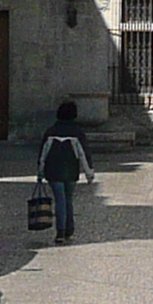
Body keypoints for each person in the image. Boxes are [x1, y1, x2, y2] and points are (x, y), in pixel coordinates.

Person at [38, 102, 92, 244]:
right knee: (68, 199)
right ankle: (69, 230)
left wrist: (40, 171)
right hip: (70, 170)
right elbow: (83, 154)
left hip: (53, 170)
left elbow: (43, 153)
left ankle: (60, 231)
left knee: (59, 200)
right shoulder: (77, 133)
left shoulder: (50, 131)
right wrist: (89, 173)